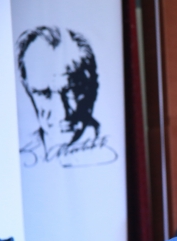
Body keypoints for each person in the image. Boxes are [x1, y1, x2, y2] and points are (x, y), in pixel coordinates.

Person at [16, 26, 117, 167]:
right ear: (27, 89)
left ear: (91, 87)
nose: (62, 113)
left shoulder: (114, 148)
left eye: (71, 91)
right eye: (43, 93)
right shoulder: (18, 157)